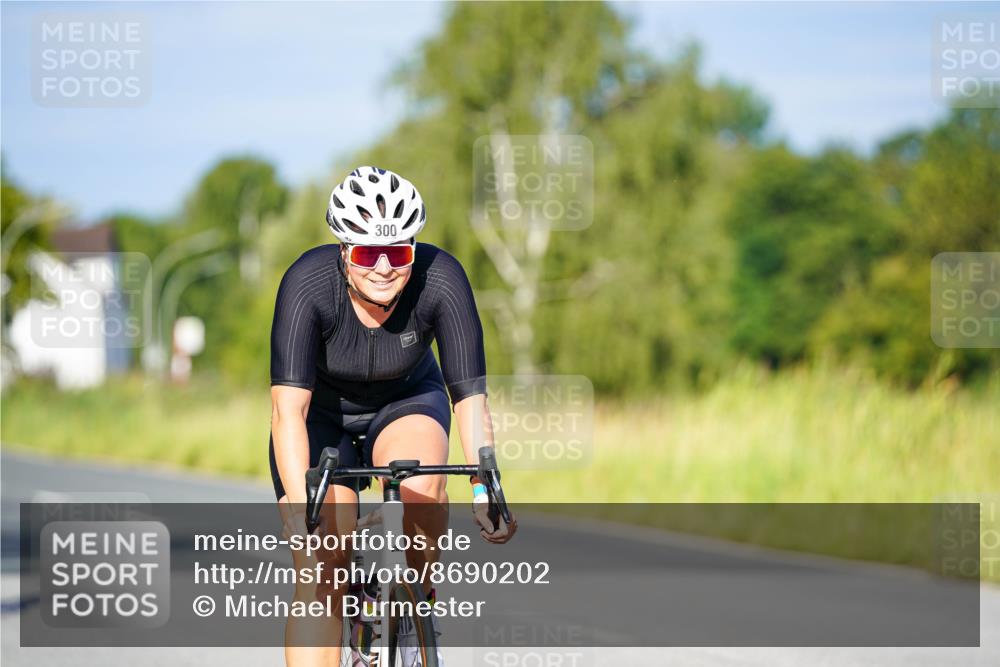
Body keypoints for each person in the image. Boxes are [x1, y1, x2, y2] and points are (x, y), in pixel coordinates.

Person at [269, 166, 516, 667]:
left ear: (413, 249)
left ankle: (414, 607)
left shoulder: (441, 278)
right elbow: (288, 411)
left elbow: (470, 399)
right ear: (344, 251)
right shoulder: (307, 283)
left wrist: (485, 489)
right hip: (322, 417)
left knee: (422, 490)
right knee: (322, 569)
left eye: (398, 253)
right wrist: (301, 516)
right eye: (367, 254)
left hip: (405, 401)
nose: (383, 268)